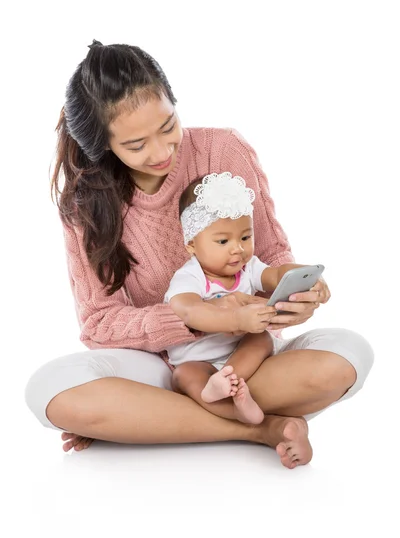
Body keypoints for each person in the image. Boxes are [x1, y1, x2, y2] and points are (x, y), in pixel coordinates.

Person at [25, 40, 374, 470]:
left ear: (174, 101)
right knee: (49, 389)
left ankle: (155, 419)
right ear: (103, 144)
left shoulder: (221, 150)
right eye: (136, 145)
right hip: (159, 368)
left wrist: (289, 302)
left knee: (349, 356)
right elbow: (99, 323)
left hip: (246, 358)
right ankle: (258, 428)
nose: (161, 153)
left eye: (168, 126)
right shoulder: (85, 205)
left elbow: (267, 256)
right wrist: (197, 317)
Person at [165, 171, 311, 427]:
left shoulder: (249, 267)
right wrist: (234, 318)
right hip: (196, 358)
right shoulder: (190, 276)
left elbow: (276, 274)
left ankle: (228, 379)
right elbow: (187, 309)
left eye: (245, 237)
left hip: (236, 355)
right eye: (223, 240)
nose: (238, 248)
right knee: (183, 376)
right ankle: (229, 403)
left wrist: (303, 276)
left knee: (261, 339)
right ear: (191, 244)